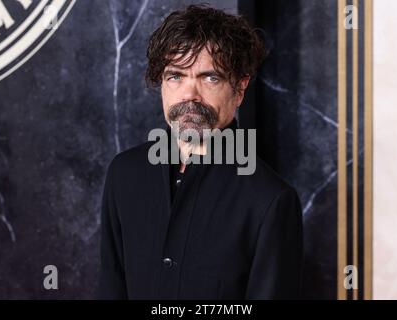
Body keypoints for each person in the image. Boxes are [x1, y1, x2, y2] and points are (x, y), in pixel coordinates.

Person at [98, 4, 303, 300]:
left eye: (210, 78)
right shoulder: (124, 174)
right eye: (175, 76)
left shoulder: (271, 200)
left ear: (240, 87)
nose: (189, 94)